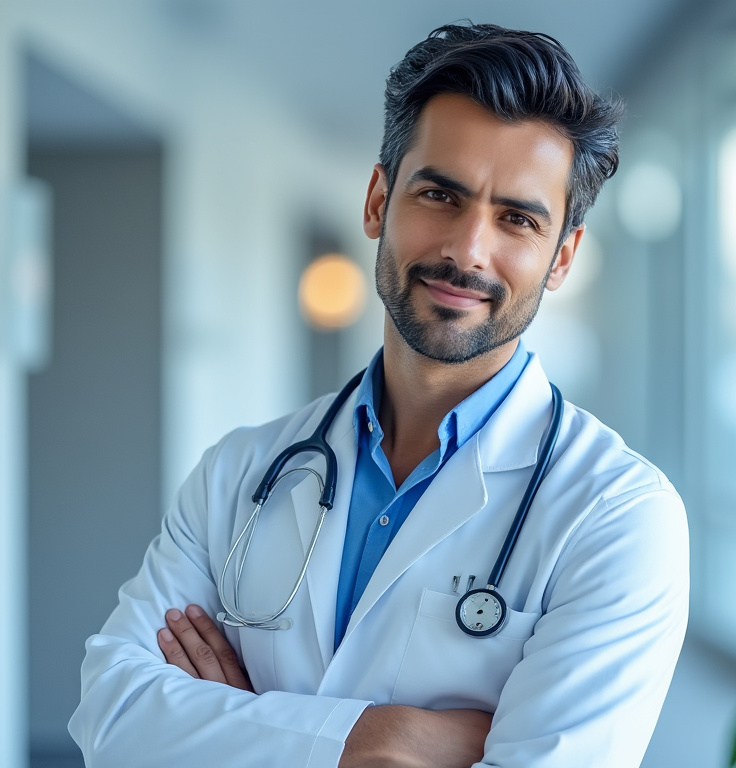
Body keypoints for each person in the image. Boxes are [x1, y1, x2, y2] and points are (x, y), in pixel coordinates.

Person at [69, 22, 688, 768]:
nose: (467, 250)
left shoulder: (616, 516)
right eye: (440, 195)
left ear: (562, 259)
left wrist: (239, 723)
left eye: (517, 219)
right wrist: (385, 740)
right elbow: (111, 716)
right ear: (377, 201)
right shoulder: (240, 474)